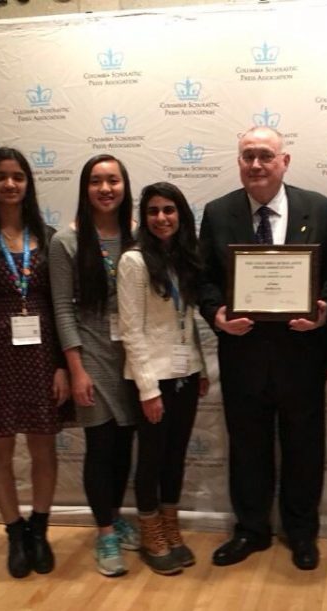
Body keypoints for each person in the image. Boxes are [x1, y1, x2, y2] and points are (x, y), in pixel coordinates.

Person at [198, 126, 327, 571]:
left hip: (301, 353)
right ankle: (251, 529)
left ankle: (301, 533)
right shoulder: (217, 212)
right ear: (238, 161)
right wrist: (216, 315)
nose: (256, 165)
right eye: (247, 156)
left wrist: (325, 310)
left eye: (265, 156)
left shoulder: (316, 207)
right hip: (242, 354)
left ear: (285, 161)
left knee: (303, 446)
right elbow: (203, 277)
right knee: (247, 446)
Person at [0, 147, 70, 579]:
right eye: (1, 176)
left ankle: (39, 529)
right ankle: (14, 532)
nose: (10, 184)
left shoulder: (49, 234)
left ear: (28, 183)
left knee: (43, 444)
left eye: (18, 176)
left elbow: (63, 305)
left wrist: (63, 364)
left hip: (44, 354)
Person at [49, 154, 140, 577]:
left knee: (124, 447)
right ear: (85, 189)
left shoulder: (139, 236)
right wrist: (76, 368)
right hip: (92, 357)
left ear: (125, 187)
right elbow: (62, 311)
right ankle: (104, 533)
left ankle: (117, 515)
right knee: (101, 447)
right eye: (97, 181)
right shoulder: (66, 242)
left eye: (113, 181)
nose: (106, 189)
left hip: (134, 357)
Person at [118, 182, 209, 575]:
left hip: (184, 375)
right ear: (144, 216)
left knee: (175, 457)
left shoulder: (184, 259)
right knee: (152, 459)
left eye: (169, 210)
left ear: (181, 215)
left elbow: (187, 321)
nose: (161, 218)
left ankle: (170, 529)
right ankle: (150, 533)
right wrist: (148, 389)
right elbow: (131, 331)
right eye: (153, 211)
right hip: (151, 379)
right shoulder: (134, 262)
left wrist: (200, 367)